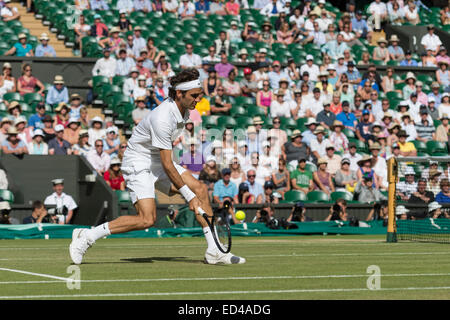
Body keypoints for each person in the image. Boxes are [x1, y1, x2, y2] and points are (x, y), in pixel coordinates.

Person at [69, 68, 245, 265]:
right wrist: (188, 197)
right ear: (179, 94)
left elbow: (166, 161)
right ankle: (87, 236)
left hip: (157, 158)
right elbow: (168, 165)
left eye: (199, 95)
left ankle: (215, 250)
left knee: (201, 189)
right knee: (147, 219)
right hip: (138, 161)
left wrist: (193, 195)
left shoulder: (185, 109)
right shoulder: (163, 118)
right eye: (194, 96)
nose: (198, 100)